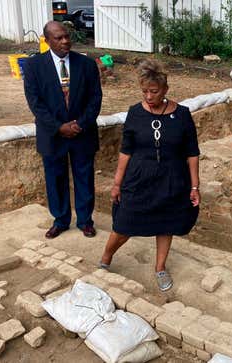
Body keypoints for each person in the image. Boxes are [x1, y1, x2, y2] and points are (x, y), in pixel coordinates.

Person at [99, 59, 200, 292]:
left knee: (166, 224)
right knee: (124, 224)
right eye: (144, 91)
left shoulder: (183, 115)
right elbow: (126, 150)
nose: (148, 96)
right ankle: (106, 258)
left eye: (153, 91)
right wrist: (117, 183)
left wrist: (194, 187)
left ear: (165, 89)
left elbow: (192, 153)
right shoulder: (135, 113)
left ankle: (160, 267)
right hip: (139, 179)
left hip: (172, 180)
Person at [23, 21, 102, 239]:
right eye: (58, 38)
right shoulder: (34, 66)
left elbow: (95, 99)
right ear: (47, 40)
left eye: (67, 36)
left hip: (82, 132)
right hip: (52, 135)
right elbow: (35, 102)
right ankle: (60, 220)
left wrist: (79, 124)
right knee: (55, 178)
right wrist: (58, 127)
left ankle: (85, 221)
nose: (65, 41)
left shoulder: (86, 64)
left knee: (84, 177)